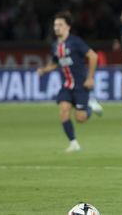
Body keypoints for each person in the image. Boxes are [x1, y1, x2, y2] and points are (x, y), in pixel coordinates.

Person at [37, 11, 103, 152]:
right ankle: (73, 143)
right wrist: (44, 70)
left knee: (80, 118)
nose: (56, 28)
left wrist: (90, 78)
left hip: (80, 86)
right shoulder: (55, 45)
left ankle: (90, 106)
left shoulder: (75, 42)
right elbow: (55, 63)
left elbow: (93, 56)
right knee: (64, 111)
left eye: (60, 25)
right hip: (66, 86)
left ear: (68, 27)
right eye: (55, 25)